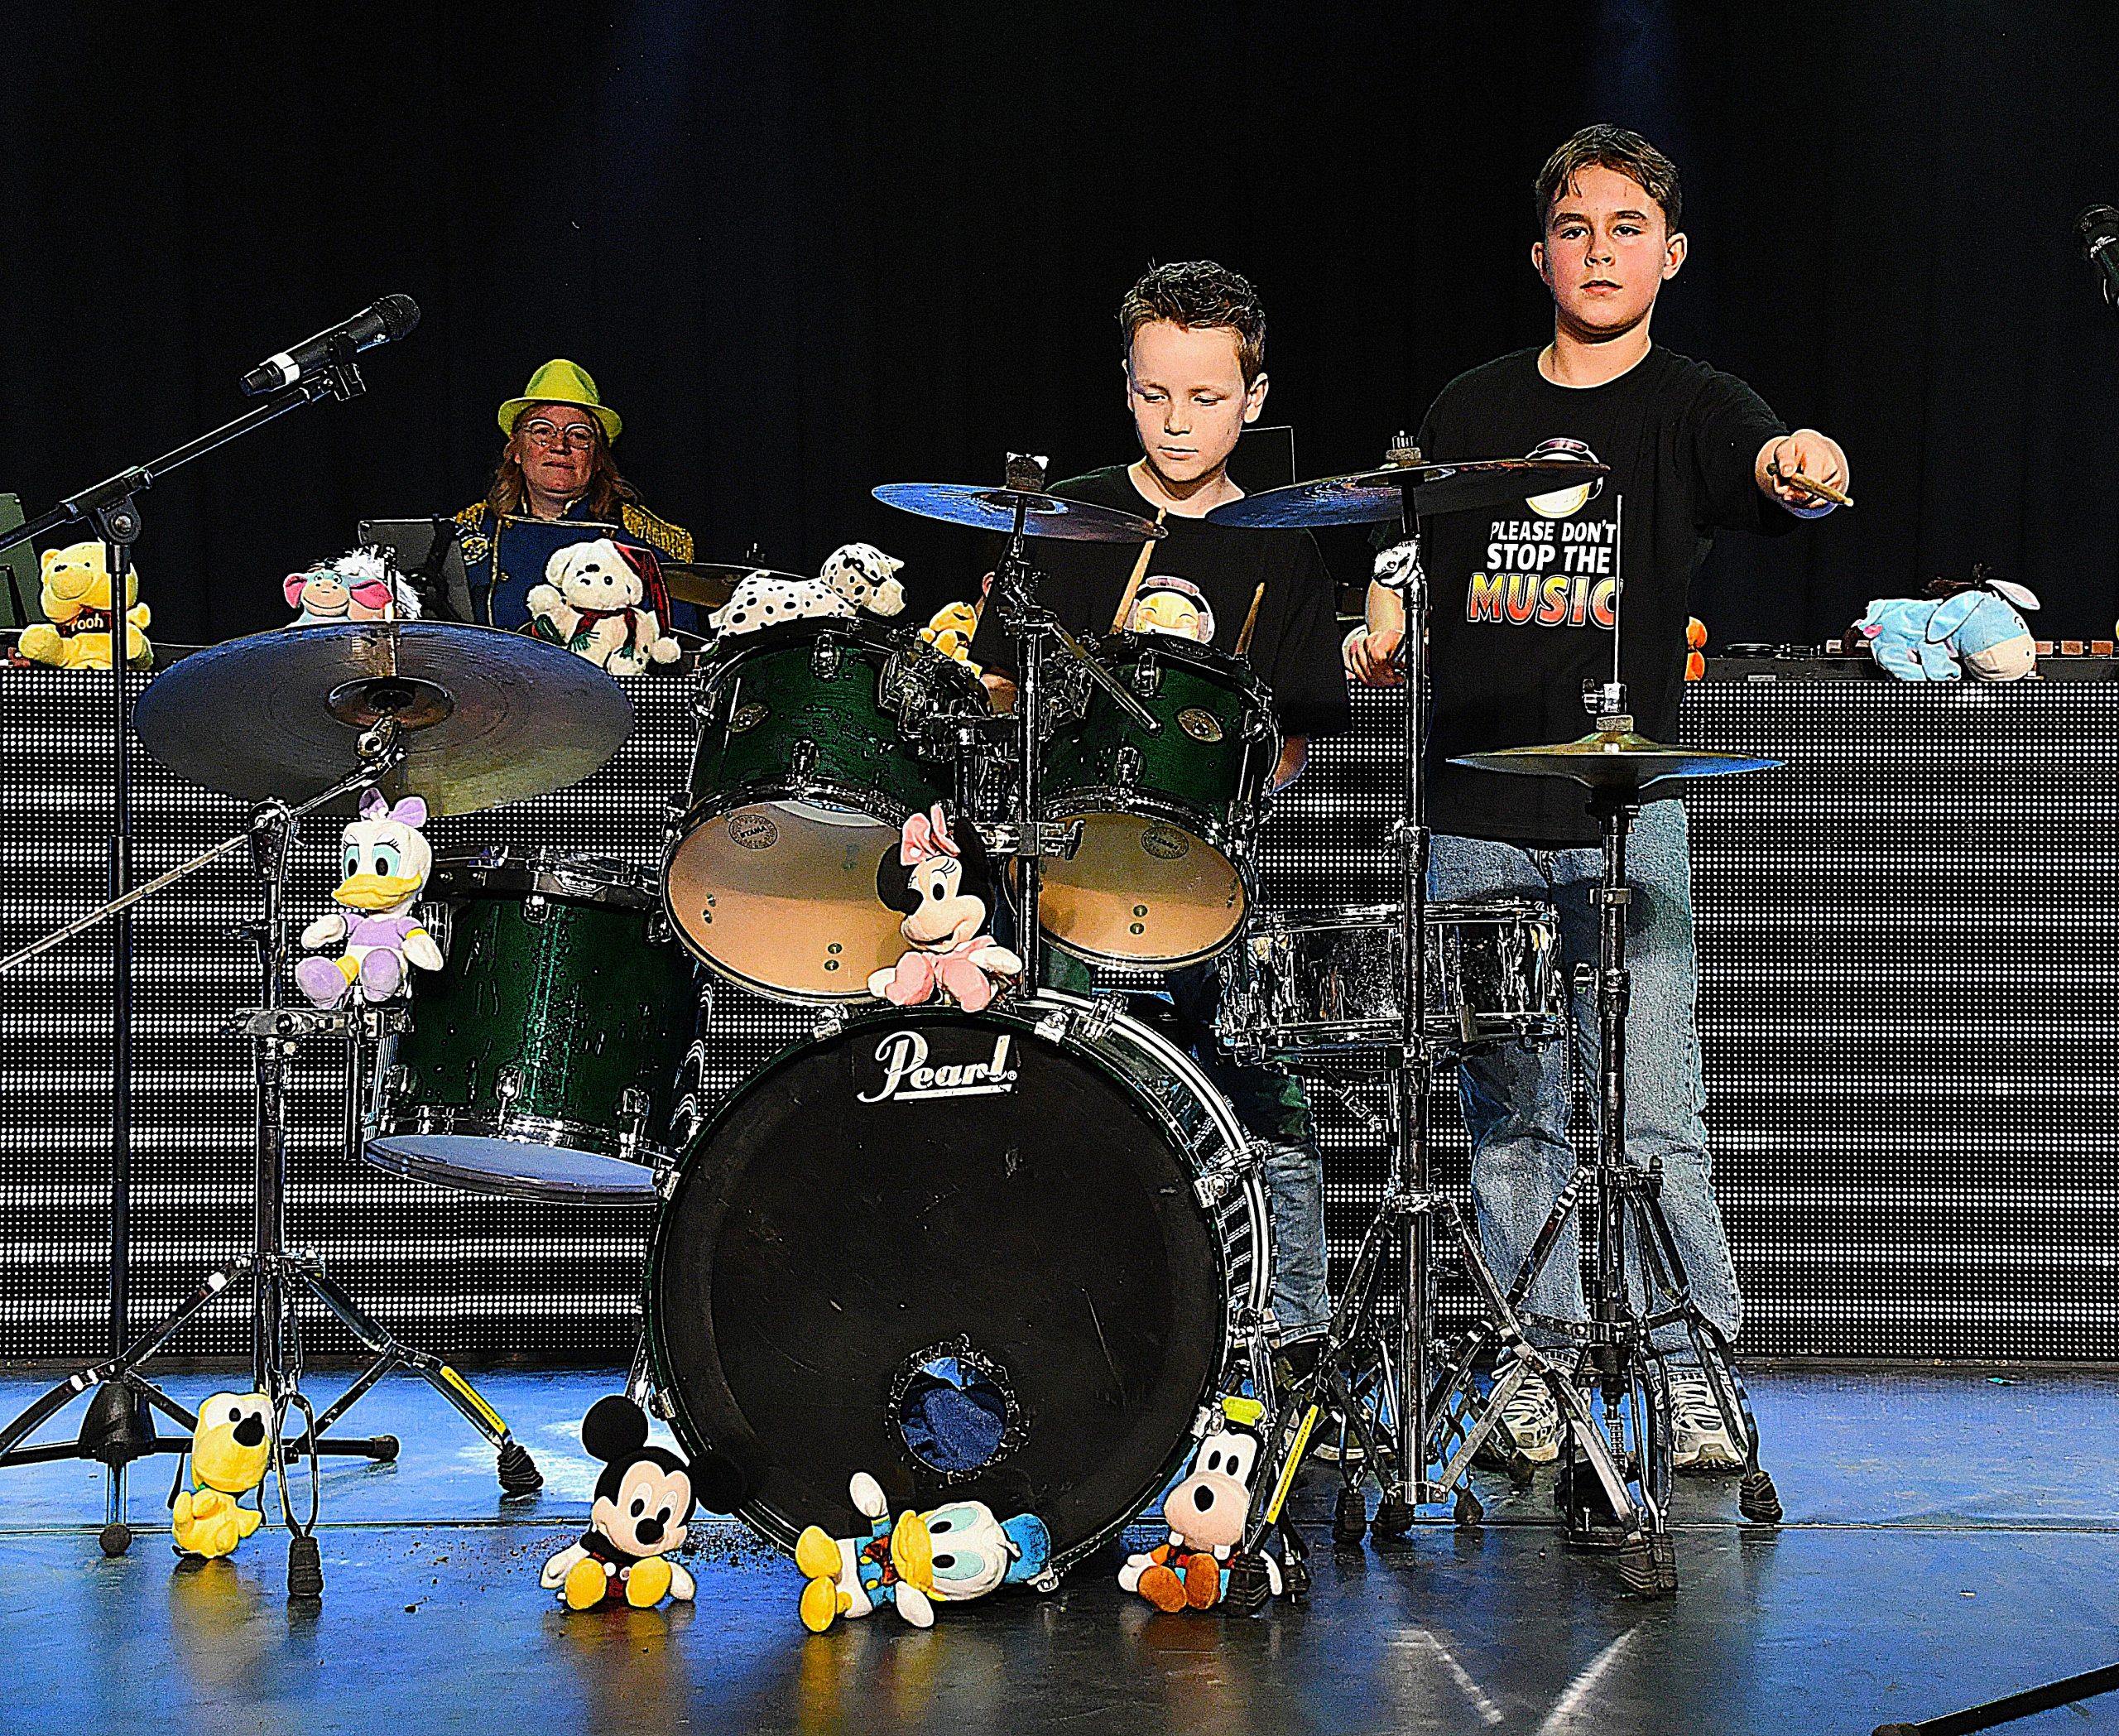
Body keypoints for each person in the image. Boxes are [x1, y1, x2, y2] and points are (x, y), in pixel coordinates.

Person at [1345, 125, 1848, 1471]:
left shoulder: (1694, 403)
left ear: (1671, 255)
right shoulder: (1469, 407)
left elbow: (1776, 465)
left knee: (1654, 1113)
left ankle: (1692, 1372)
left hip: (1626, 821)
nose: (1602, 251)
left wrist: (1805, 459)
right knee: (1512, 1119)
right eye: (1577, 228)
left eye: (1629, 228)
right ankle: (1537, 1368)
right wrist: (1382, 623)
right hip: (1472, 816)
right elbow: (1405, 558)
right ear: (1541, 254)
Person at [968, 260, 1350, 1368]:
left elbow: (1294, 740)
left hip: (1210, 867)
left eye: (1206, 397)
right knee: (1056, 1084)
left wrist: (1226, 790)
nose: (1178, 422)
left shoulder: (1283, 541)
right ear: (1126, 385)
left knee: (1259, 1088)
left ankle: (1290, 1340)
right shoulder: (1066, 518)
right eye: (1155, 394)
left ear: (1254, 398)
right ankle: (1052, 1337)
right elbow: (998, 689)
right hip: (1066, 864)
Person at [450, 358, 696, 629]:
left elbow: (677, 641)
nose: (560, 446)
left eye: (579, 436)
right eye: (543, 432)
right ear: (517, 451)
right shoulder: (467, 532)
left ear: (598, 458)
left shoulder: (641, 542)